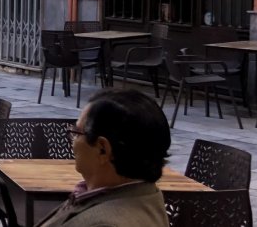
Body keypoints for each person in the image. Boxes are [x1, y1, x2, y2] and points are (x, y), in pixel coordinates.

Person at [36, 89, 171, 227]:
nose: (72, 141)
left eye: (76, 133)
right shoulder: (142, 194)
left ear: (102, 149)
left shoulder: (107, 222)